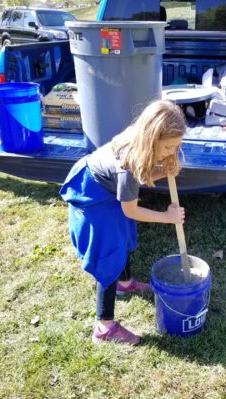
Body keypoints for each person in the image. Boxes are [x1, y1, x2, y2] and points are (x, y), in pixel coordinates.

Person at [60, 100, 186, 345]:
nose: (172, 151)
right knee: (109, 254)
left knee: (124, 236)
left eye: (177, 145)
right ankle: (104, 326)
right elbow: (130, 210)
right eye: (169, 147)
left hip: (107, 187)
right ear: (151, 139)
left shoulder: (139, 139)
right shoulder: (127, 166)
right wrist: (167, 218)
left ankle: (125, 283)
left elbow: (144, 175)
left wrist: (165, 169)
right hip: (93, 195)